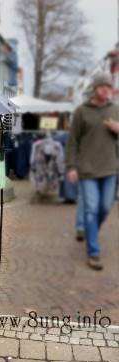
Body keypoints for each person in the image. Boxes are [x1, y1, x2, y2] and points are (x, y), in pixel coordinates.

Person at [66, 72, 119, 270]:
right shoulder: (81, 111)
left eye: (109, 86)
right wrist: (71, 166)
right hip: (87, 170)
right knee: (90, 210)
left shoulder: (115, 110)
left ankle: (90, 232)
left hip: (109, 169)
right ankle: (93, 252)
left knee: (105, 208)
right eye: (102, 86)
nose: (106, 89)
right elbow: (72, 141)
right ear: (95, 89)